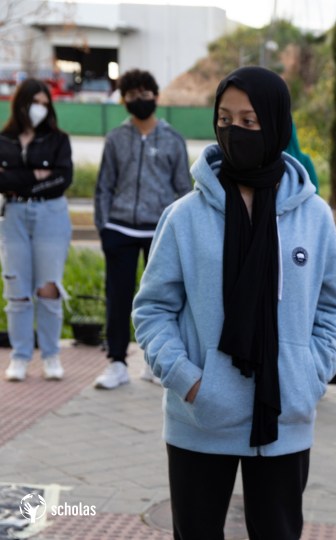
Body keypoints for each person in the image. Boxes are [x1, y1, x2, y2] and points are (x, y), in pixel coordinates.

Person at [132, 67, 336, 539]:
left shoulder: (313, 216)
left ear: (275, 124)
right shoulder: (184, 216)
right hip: (199, 420)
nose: (235, 131)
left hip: (285, 417)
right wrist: (189, 380)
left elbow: (333, 309)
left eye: (250, 121)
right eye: (225, 119)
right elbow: (152, 310)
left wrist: (308, 376)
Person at [93, 68, 191, 389]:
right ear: (124, 100)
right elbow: (104, 186)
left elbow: (184, 190)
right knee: (118, 298)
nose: (140, 99)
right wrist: (104, 227)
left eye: (145, 93)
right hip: (119, 228)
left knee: (161, 300)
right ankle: (117, 363)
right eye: (132, 95)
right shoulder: (115, 138)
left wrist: (181, 233)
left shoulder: (173, 139)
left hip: (159, 231)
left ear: (156, 96)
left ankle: (154, 362)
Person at [1, 78, 72, 382]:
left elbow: (62, 179)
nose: (40, 109)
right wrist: (36, 176)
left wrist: (18, 179)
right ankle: (20, 357)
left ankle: (51, 355)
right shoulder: (4, 140)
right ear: (21, 103)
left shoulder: (58, 140)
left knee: (48, 287)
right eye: (35, 102)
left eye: (45, 104)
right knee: (16, 289)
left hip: (50, 216)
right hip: (13, 217)